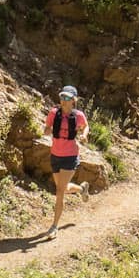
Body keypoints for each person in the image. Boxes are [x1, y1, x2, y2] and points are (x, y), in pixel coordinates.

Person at [46, 86, 87, 235]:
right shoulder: (53, 113)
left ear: (74, 100)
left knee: (59, 191)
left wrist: (84, 134)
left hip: (70, 156)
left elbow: (85, 126)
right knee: (63, 188)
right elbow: (47, 127)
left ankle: (54, 226)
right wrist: (46, 130)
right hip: (55, 155)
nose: (64, 100)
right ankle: (82, 189)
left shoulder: (78, 116)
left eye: (68, 98)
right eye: (62, 97)